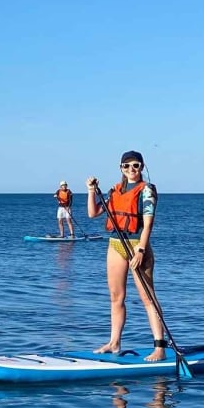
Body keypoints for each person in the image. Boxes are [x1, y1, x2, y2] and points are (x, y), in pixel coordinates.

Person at [86, 150, 167, 362]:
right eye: (127, 166)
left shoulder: (146, 190)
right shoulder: (116, 190)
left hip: (136, 245)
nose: (131, 169)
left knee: (147, 298)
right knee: (116, 297)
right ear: (121, 168)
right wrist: (91, 191)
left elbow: (148, 223)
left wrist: (141, 249)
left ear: (142, 167)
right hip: (115, 245)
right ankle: (114, 342)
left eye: (136, 165)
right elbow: (93, 213)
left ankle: (160, 347)